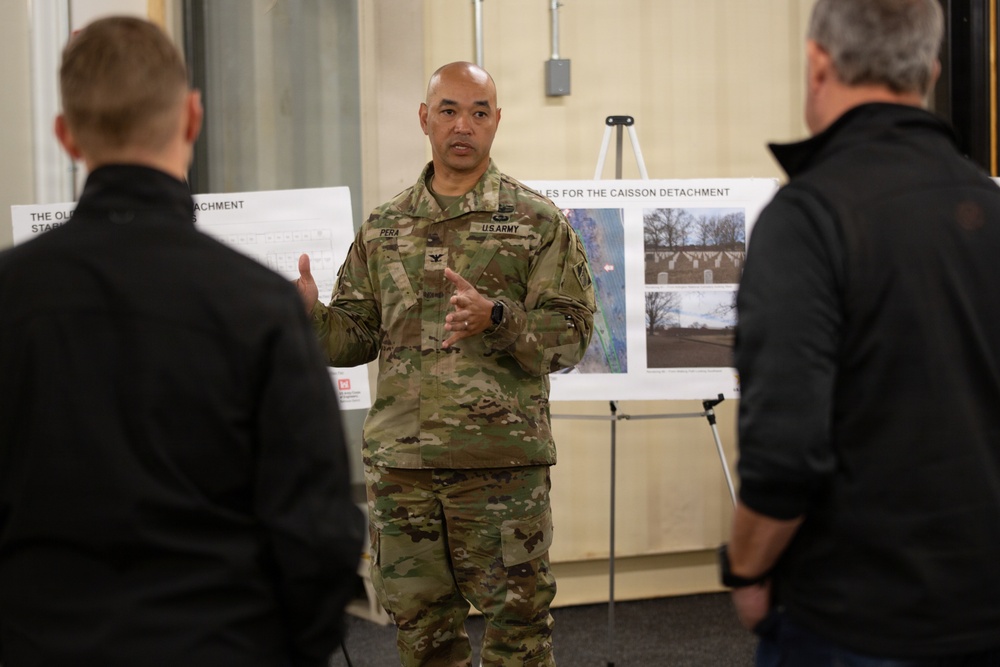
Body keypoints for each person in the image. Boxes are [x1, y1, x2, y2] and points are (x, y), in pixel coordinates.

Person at [0, 16, 364, 667]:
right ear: (192, 117)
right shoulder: (263, 306)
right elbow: (321, 534)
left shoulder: (11, 294)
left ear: (66, 135)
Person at [722, 0, 1000, 664]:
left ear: (818, 64)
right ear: (929, 70)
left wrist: (748, 568)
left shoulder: (808, 218)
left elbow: (786, 446)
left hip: (854, 623)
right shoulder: (991, 207)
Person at [296, 61, 596, 666]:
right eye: (450, 110)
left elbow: (573, 334)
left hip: (501, 470)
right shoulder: (384, 228)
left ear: (497, 122)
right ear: (425, 119)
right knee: (424, 638)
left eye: (479, 112)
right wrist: (310, 316)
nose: (464, 125)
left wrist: (499, 319)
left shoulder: (537, 222)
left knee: (519, 636)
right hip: (404, 471)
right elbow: (353, 339)